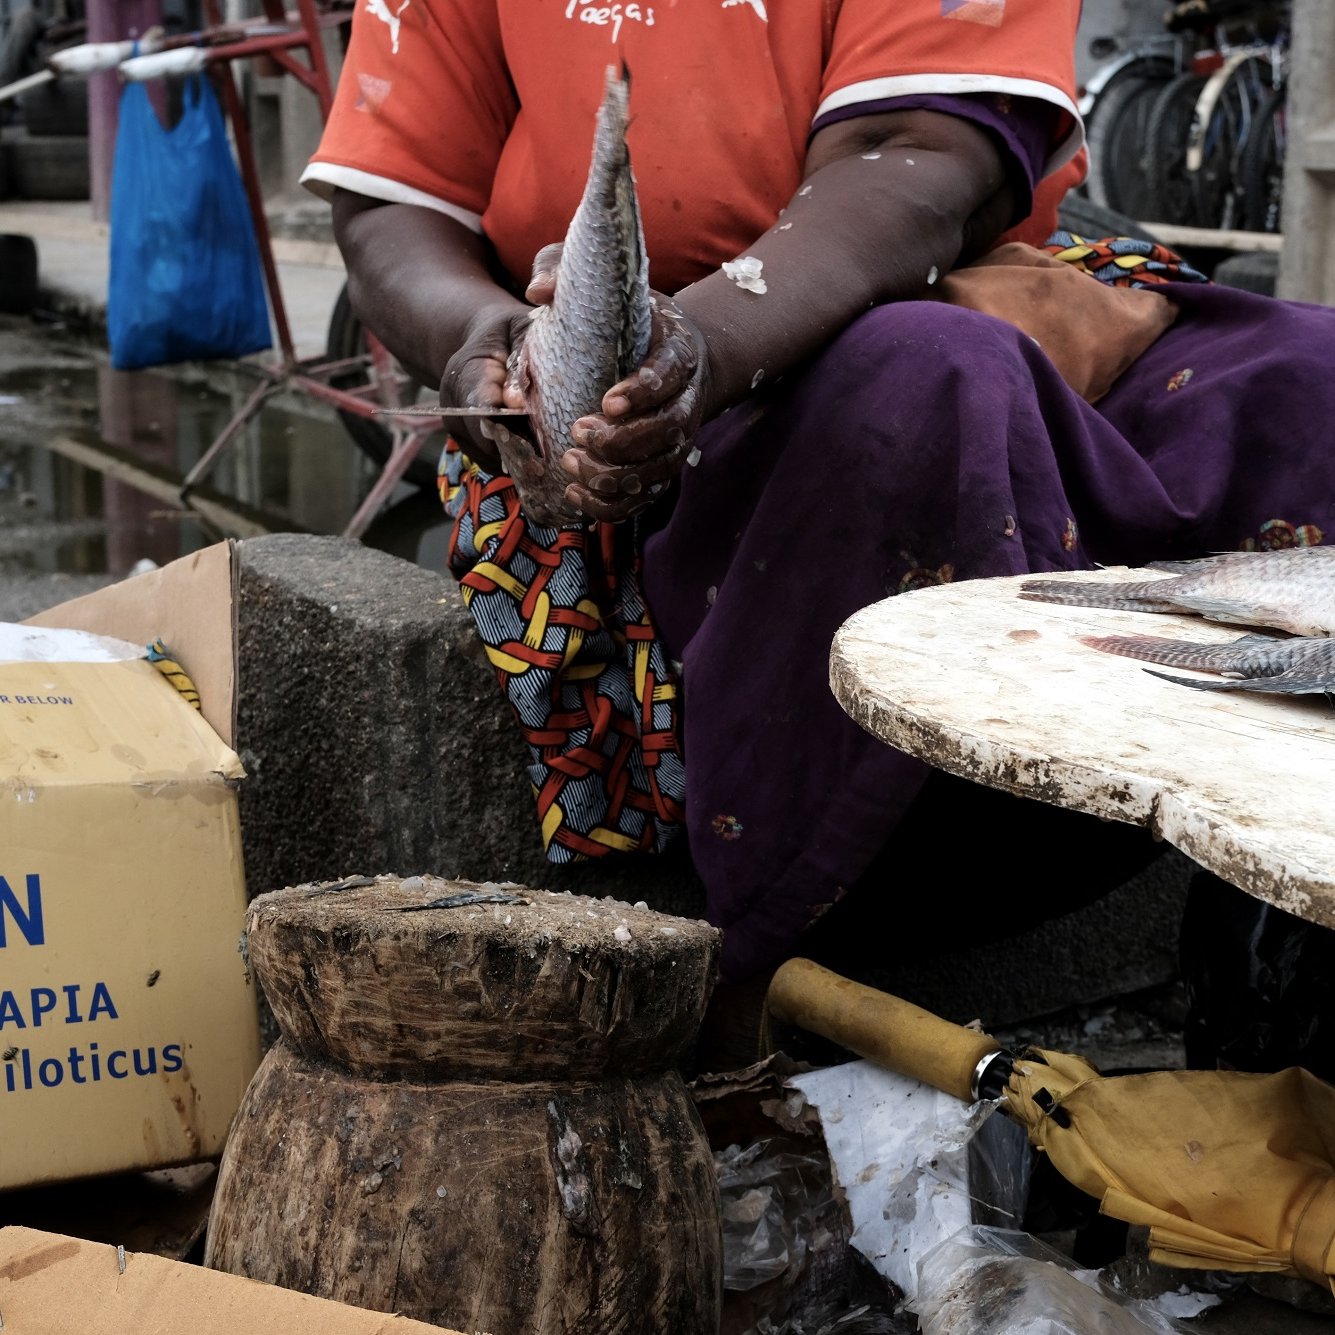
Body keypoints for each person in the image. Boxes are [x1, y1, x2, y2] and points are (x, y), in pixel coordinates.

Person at [301, 0, 1335, 989]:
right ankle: (766, 950)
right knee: (932, 378)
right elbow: (393, 202)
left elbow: (922, 148)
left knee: (1306, 380)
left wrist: (704, 348)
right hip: (656, 408)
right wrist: (483, 343)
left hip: (904, 285)